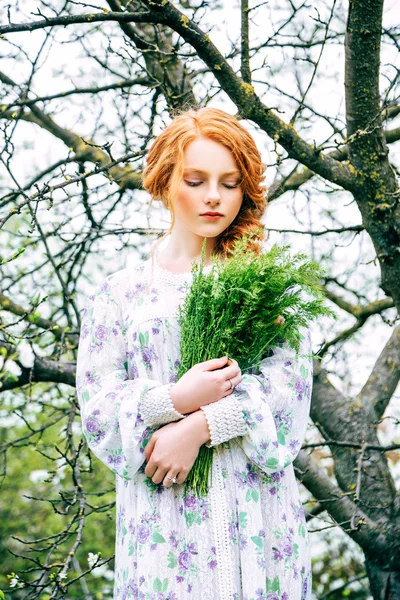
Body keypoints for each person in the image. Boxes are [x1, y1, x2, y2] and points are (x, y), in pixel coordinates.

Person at [76, 107, 313, 600]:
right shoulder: (120, 294)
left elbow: (287, 391)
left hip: (260, 522)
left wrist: (200, 425)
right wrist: (171, 399)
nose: (213, 197)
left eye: (229, 183)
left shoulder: (265, 286)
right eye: (196, 179)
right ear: (165, 181)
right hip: (163, 527)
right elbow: (99, 410)